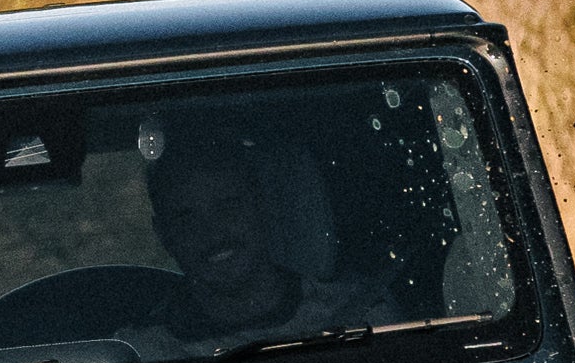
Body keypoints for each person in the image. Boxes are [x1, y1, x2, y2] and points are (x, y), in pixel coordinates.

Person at [131, 129, 392, 349]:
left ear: (261, 207)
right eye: (186, 219)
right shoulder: (142, 353)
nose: (213, 232)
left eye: (228, 207)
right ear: (164, 234)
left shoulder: (361, 320)